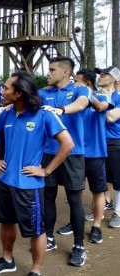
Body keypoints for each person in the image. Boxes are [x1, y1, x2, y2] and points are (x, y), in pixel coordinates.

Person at [0, 71, 73, 276]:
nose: (2, 91)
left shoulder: (44, 115)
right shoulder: (6, 113)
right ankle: (8, 260)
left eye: (6, 88)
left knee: (36, 230)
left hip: (29, 186)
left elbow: (68, 144)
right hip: (6, 181)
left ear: (19, 93)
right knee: (6, 222)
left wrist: (46, 170)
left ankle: (36, 270)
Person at [39, 57, 89, 266]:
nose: (48, 73)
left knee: (74, 199)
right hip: (48, 153)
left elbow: (81, 104)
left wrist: (61, 110)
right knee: (48, 196)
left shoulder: (79, 89)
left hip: (72, 153)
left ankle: (79, 246)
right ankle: (49, 238)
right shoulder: (43, 93)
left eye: (51, 69)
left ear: (66, 72)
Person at [57, 69, 111, 243]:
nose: (73, 83)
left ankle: (96, 226)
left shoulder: (101, 97)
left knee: (98, 191)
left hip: (95, 153)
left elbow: (101, 107)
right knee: (75, 190)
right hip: (75, 153)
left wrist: (87, 94)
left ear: (87, 83)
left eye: (77, 81)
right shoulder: (73, 100)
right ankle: (75, 222)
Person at [100, 66, 120, 228]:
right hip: (98, 141)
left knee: (118, 178)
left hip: (115, 141)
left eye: (105, 75)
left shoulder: (118, 97)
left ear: (113, 79)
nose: (100, 77)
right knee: (103, 176)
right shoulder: (97, 96)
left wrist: (103, 103)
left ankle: (118, 212)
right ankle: (106, 201)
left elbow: (111, 118)